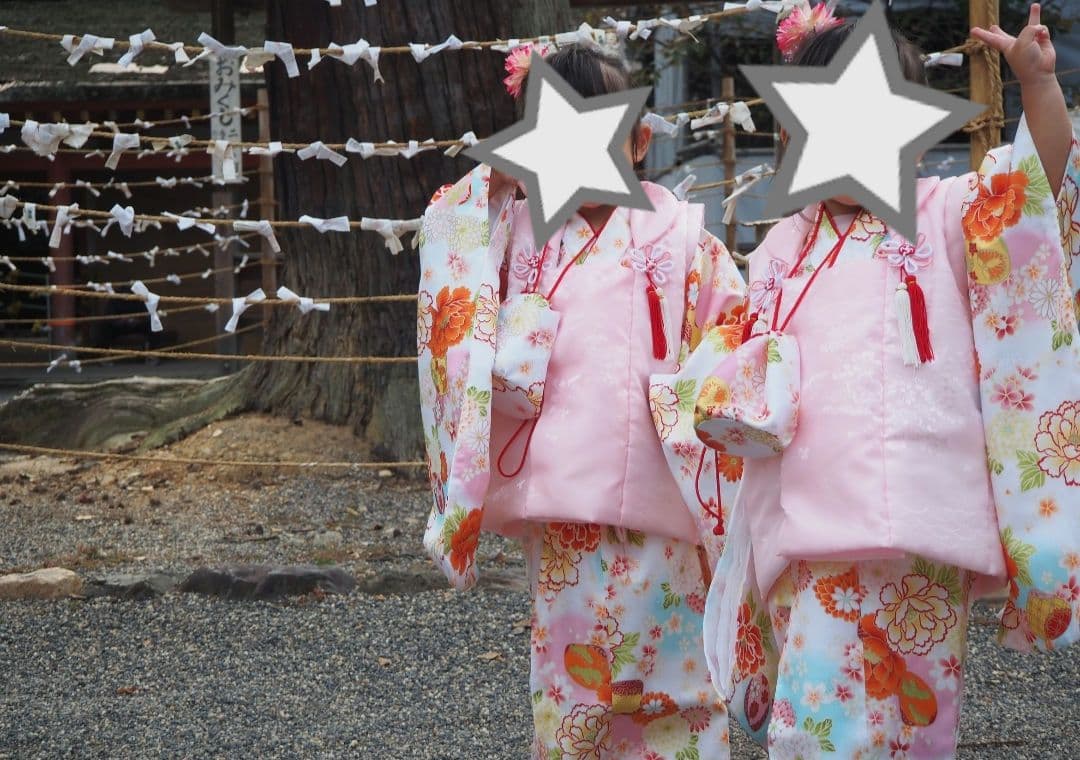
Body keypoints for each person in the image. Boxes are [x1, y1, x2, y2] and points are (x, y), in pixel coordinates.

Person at [699, 3, 1079, 758]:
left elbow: (1035, 182)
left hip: (923, 518)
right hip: (807, 524)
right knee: (814, 724)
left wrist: (1038, 86)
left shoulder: (947, 213)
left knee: (915, 722)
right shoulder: (780, 249)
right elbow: (740, 364)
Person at [417, 43, 748, 759]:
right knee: (576, 695)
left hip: (668, 492)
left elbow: (731, 328)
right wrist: (498, 179)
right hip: (565, 504)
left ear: (639, 139)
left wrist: (700, 397)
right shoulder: (516, 232)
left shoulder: (681, 236)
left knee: (678, 689)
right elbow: (447, 234)